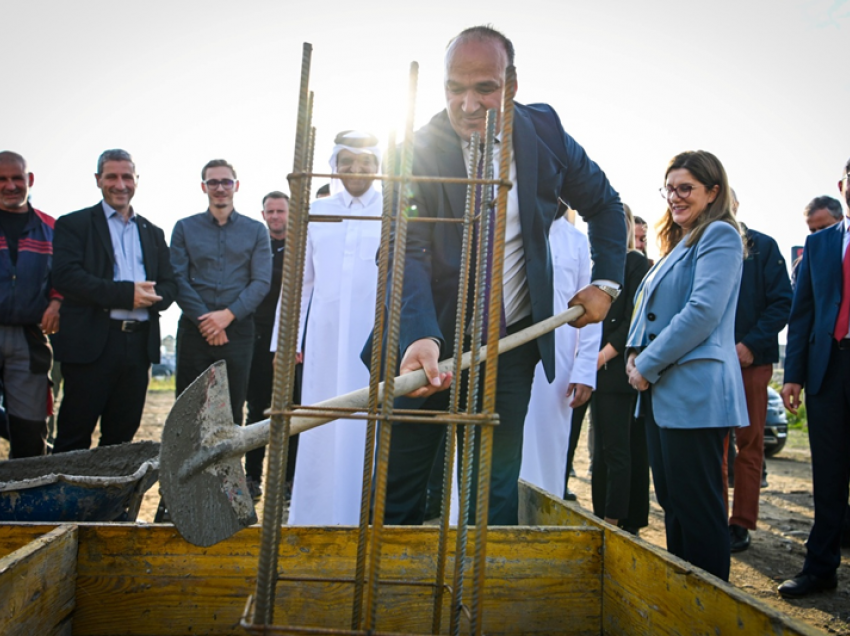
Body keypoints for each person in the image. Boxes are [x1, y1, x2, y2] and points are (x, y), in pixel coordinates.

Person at [373, 26, 627, 526]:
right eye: (454, 88)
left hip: (508, 349)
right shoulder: (413, 151)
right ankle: (394, 601)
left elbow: (605, 204)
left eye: (484, 88)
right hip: (425, 345)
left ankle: (482, 601)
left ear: (511, 85)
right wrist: (422, 334)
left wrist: (607, 283)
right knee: (401, 491)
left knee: (491, 494)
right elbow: (406, 250)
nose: (467, 104)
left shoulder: (546, 132)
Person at [626, 150, 747, 582]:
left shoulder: (720, 236)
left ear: (713, 191)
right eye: (669, 188)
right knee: (674, 508)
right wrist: (633, 354)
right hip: (664, 393)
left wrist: (647, 363)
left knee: (698, 511)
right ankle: (684, 605)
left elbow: (701, 313)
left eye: (686, 188)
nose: (674, 197)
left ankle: (710, 610)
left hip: (694, 392)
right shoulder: (681, 242)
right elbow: (648, 313)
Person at [278, 130, 383, 525]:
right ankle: (317, 514)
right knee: (322, 422)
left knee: (367, 423)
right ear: (335, 167)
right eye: (347, 163)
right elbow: (299, 285)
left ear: (377, 168)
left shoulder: (394, 208)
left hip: (374, 336)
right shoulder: (315, 211)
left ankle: (365, 513)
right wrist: (285, 343)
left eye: (365, 163)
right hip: (324, 338)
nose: (356, 170)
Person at [52, 149, 176, 452]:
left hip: (138, 350)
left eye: (127, 177)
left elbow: (171, 285)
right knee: (73, 437)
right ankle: (68, 500)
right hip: (92, 343)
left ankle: (111, 501)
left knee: (120, 442)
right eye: (112, 177)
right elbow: (67, 277)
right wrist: (126, 294)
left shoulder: (153, 232)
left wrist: (151, 298)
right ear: (98, 180)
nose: (120, 184)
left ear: (136, 181)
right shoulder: (73, 225)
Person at [780, 158, 850, 598]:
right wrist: (794, 377)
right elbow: (801, 312)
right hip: (829, 369)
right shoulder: (820, 245)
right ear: (844, 186)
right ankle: (820, 567)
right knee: (827, 476)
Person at [170, 159, 271, 435]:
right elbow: (177, 278)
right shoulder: (184, 228)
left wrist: (227, 316)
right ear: (204, 187)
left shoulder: (255, 231)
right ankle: (185, 478)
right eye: (213, 182)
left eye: (226, 182)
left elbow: (261, 281)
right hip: (194, 330)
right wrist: (206, 321)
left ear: (236, 186)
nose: (220, 188)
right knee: (187, 410)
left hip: (237, 331)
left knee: (231, 410)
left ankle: (225, 477)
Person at [724, 193, 792, 552]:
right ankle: (714, 517)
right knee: (712, 446)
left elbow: (783, 301)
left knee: (749, 443)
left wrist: (750, 344)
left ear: (733, 204)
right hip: (710, 365)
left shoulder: (763, 246)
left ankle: (741, 523)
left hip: (752, 361)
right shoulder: (694, 245)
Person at [520, 216, 601, 497]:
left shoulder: (578, 242)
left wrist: (585, 369)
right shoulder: (512, 227)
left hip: (557, 366)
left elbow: (593, 313)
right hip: (506, 358)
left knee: (548, 446)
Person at [591, 204, 651, 531]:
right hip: (590, 369)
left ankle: (614, 521)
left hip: (614, 370)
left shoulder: (637, 263)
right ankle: (603, 514)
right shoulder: (597, 263)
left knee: (617, 452)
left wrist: (599, 357)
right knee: (599, 452)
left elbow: (632, 318)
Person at [0, 151, 60, 458]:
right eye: (2, 179)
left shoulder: (52, 229)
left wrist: (56, 303)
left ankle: (24, 499)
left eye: (17, 178)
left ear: (30, 180)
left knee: (30, 428)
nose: (10, 186)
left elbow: (65, 277)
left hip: (30, 337)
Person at [244, 191, 299, 501]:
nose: (276, 216)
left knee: (292, 409)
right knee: (257, 410)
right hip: (258, 338)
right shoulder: (255, 246)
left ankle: (289, 481)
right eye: (271, 211)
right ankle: (252, 478)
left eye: (281, 211)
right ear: (263, 214)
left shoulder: (301, 247)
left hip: (292, 340)